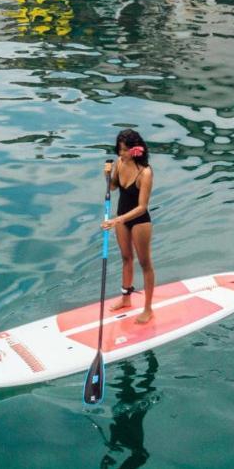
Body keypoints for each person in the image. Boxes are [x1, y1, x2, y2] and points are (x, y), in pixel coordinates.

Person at [101, 129, 155, 324]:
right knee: (126, 258)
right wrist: (107, 177)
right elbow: (115, 186)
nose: (120, 154)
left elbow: (142, 207)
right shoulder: (119, 163)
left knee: (144, 263)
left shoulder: (145, 172)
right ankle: (126, 299)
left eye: (124, 150)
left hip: (139, 221)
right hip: (121, 219)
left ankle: (148, 308)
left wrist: (117, 220)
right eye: (119, 149)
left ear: (134, 150)